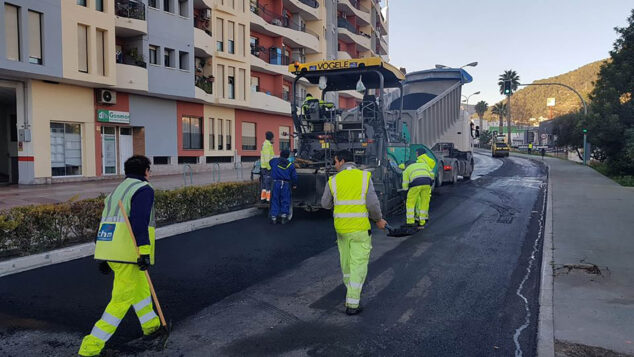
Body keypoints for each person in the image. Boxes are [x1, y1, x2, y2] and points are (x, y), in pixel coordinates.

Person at [79, 155, 164, 356]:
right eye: (149, 170)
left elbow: (106, 223)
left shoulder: (116, 191)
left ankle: (151, 327)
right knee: (120, 300)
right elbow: (139, 222)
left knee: (142, 291)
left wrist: (103, 255)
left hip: (112, 251)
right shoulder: (143, 189)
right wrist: (144, 252)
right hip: (129, 253)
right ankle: (90, 347)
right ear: (146, 171)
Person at [321, 150, 387, 315]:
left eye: (335, 162)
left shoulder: (333, 180)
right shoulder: (364, 177)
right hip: (359, 229)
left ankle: (350, 290)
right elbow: (372, 204)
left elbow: (325, 204)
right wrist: (378, 220)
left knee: (347, 264)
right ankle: (352, 303)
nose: (335, 165)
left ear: (342, 161)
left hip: (341, 230)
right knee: (358, 264)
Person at [402, 148, 435, 229]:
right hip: (427, 183)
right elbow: (432, 175)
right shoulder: (424, 165)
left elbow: (405, 183)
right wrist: (430, 183)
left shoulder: (407, 169)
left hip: (415, 184)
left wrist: (405, 192)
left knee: (410, 202)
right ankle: (422, 222)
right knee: (424, 202)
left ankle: (410, 222)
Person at [269, 149, 298, 224]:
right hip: (285, 184)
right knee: (285, 199)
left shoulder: (274, 161)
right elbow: (294, 176)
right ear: (288, 156)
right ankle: (284, 217)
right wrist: (294, 185)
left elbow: (270, 163)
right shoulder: (290, 165)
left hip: (275, 183)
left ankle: (274, 217)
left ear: (280, 154)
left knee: (275, 199)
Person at [260, 131, 275, 203]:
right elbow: (267, 158)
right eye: (273, 138)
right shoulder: (267, 145)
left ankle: (263, 198)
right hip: (267, 167)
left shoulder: (266, 144)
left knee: (264, 184)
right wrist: (270, 168)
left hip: (264, 167)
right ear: (271, 138)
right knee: (268, 183)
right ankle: (268, 199)